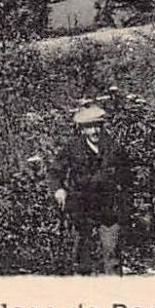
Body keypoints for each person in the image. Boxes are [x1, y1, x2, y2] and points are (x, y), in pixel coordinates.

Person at [48, 103, 131, 275]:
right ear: (82, 129)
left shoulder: (114, 149)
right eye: (89, 127)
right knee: (81, 253)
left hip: (108, 208)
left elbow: (127, 176)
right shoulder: (72, 149)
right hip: (81, 207)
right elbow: (55, 172)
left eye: (97, 126)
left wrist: (123, 199)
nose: (94, 131)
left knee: (112, 252)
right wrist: (59, 190)